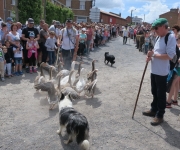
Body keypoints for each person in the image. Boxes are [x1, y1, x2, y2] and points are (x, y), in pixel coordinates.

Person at [143, 18, 176, 126]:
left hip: (162, 72)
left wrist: (154, 55)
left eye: (156, 28)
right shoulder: (158, 37)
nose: (155, 30)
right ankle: (154, 109)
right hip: (154, 70)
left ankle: (160, 115)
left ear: (163, 26)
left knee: (161, 94)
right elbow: (155, 53)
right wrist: (149, 57)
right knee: (154, 91)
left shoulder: (170, 37)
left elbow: (170, 56)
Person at [166, 25, 180, 108]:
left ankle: (168, 102)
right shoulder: (178, 46)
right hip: (177, 67)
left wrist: (176, 59)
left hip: (178, 67)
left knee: (172, 83)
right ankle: (174, 100)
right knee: (176, 84)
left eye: (177, 38)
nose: (177, 40)